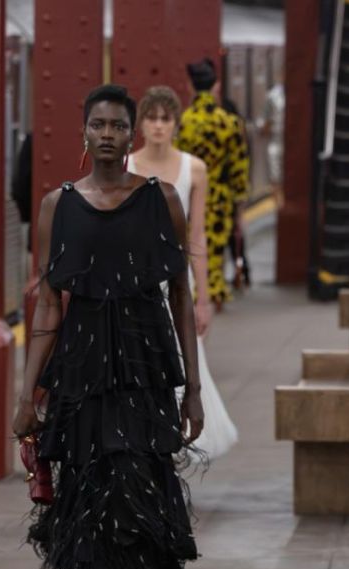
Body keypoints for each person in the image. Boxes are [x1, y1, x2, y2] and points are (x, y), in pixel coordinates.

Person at [12, 83, 205, 569]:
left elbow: (180, 295)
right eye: (97, 124)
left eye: (117, 126)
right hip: (82, 379)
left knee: (139, 506)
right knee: (89, 512)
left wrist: (193, 390)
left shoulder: (161, 199)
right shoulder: (58, 205)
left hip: (144, 375)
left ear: (130, 135)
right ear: (84, 132)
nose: (107, 134)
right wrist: (26, 395)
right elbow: (49, 305)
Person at [129, 85, 239, 459]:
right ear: (141, 124)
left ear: (176, 123)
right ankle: (148, 435)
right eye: (152, 118)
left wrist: (204, 298)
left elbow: (197, 236)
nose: (159, 125)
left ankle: (181, 438)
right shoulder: (127, 167)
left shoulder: (195, 169)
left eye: (166, 118)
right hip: (136, 278)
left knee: (184, 355)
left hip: (177, 279)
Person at [175, 58, 250, 307]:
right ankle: (213, 294)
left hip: (188, 194)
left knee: (191, 244)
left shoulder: (183, 123)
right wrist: (240, 203)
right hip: (219, 194)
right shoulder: (230, 123)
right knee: (214, 247)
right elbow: (239, 167)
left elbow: (174, 161)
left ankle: (193, 292)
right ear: (215, 85)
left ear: (190, 86)